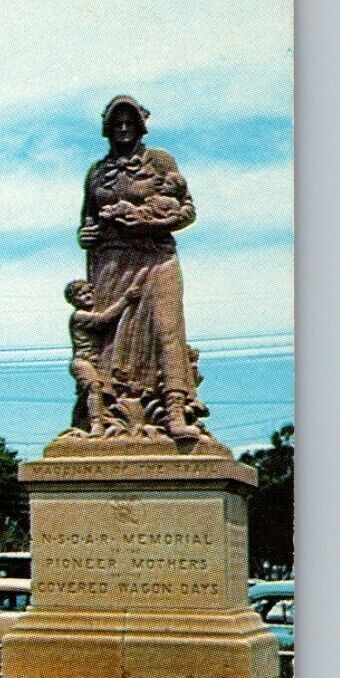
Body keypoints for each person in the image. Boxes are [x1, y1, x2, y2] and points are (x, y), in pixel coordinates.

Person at [78, 96, 201, 440]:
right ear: (107, 128)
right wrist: (86, 233)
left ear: (140, 125)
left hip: (156, 257)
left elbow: (187, 210)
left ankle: (175, 411)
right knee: (110, 339)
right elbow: (87, 220)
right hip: (112, 264)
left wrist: (145, 222)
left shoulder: (160, 161)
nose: (122, 128)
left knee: (167, 330)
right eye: (116, 122)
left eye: (129, 121)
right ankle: (101, 418)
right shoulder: (97, 171)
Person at [66, 273, 144, 436]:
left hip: (95, 363)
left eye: (89, 292)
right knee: (94, 387)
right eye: (82, 294)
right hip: (82, 362)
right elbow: (103, 319)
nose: (87, 296)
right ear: (74, 300)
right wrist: (125, 299)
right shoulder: (79, 316)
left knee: (86, 397)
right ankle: (96, 426)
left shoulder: (87, 312)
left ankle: (78, 425)